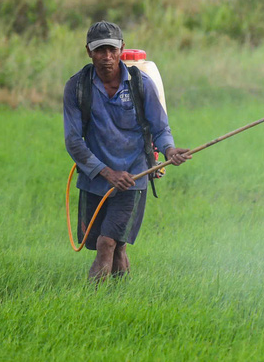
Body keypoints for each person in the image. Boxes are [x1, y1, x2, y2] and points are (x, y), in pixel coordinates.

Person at [64, 21, 191, 281]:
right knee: (115, 245)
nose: (107, 57)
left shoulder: (140, 84)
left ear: (121, 48)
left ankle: (90, 305)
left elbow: (160, 127)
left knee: (105, 244)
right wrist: (108, 173)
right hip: (95, 179)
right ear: (89, 51)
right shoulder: (77, 88)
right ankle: (121, 298)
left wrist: (169, 150)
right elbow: (74, 141)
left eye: (112, 49)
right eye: (100, 50)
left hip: (133, 178)